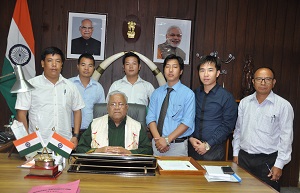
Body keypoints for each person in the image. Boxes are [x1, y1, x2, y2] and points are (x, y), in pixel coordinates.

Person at [232, 67, 294, 192]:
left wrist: (279, 165)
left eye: (267, 79)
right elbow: (238, 130)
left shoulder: (283, 106)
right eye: (259, 79)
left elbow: (286, 138)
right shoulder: (245, 103)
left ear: (274, 82)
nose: (263, 82)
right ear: (253, 82)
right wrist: (235, 153)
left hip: (268, 161)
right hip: (244, 158)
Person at [15, 47, 85, 149]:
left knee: (63, 165)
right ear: (43, 63)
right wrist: (27, 139)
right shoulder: (30, 85)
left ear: (61, 65)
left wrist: (76, 135)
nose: (54, 65)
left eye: (58, 61)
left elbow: (77, 110)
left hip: (64, 141)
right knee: (36, 165)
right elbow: (21, 113)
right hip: (38, 142)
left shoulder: (70, 86)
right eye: (50, 61)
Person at [188, 55, 237, 161]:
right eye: (202, 70)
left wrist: (208, 144)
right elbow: (189, 118)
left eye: (210, 70)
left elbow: (228, 125)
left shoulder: (226, 97)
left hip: (214, 149)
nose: (206, 74)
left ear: (218, 73)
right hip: (193, 147)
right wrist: (191, 137)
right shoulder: (194, 94)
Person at [146, 54, 195, 156]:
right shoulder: (157, 93)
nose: (171, 70)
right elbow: (150, 118)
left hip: (177, 146)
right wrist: (158, 140)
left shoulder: (188, 94)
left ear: (181, 71)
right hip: (157, 145)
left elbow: (187, 122)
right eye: (167, 66)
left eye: (175, 67)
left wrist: (167, 140)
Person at [77, 91, 153, 155]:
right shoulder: (95, 124)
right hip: (100, 167)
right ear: (107, 108)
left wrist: (129, 152)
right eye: (113, 104)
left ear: (126, 107)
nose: (117, 108)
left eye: (120, 104)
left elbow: (148, 151)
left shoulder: (137, 126)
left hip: (128, 168)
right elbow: (80, 148)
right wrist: (97, 151)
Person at [69, 53, 105, 137]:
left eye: (90, 66)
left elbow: (101, 113)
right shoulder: (69, 84)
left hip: (90, 132)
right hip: (69, 131)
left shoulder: (98, 88)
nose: (86, 68)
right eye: (83, 65)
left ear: (94, 68)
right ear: (78, 66)